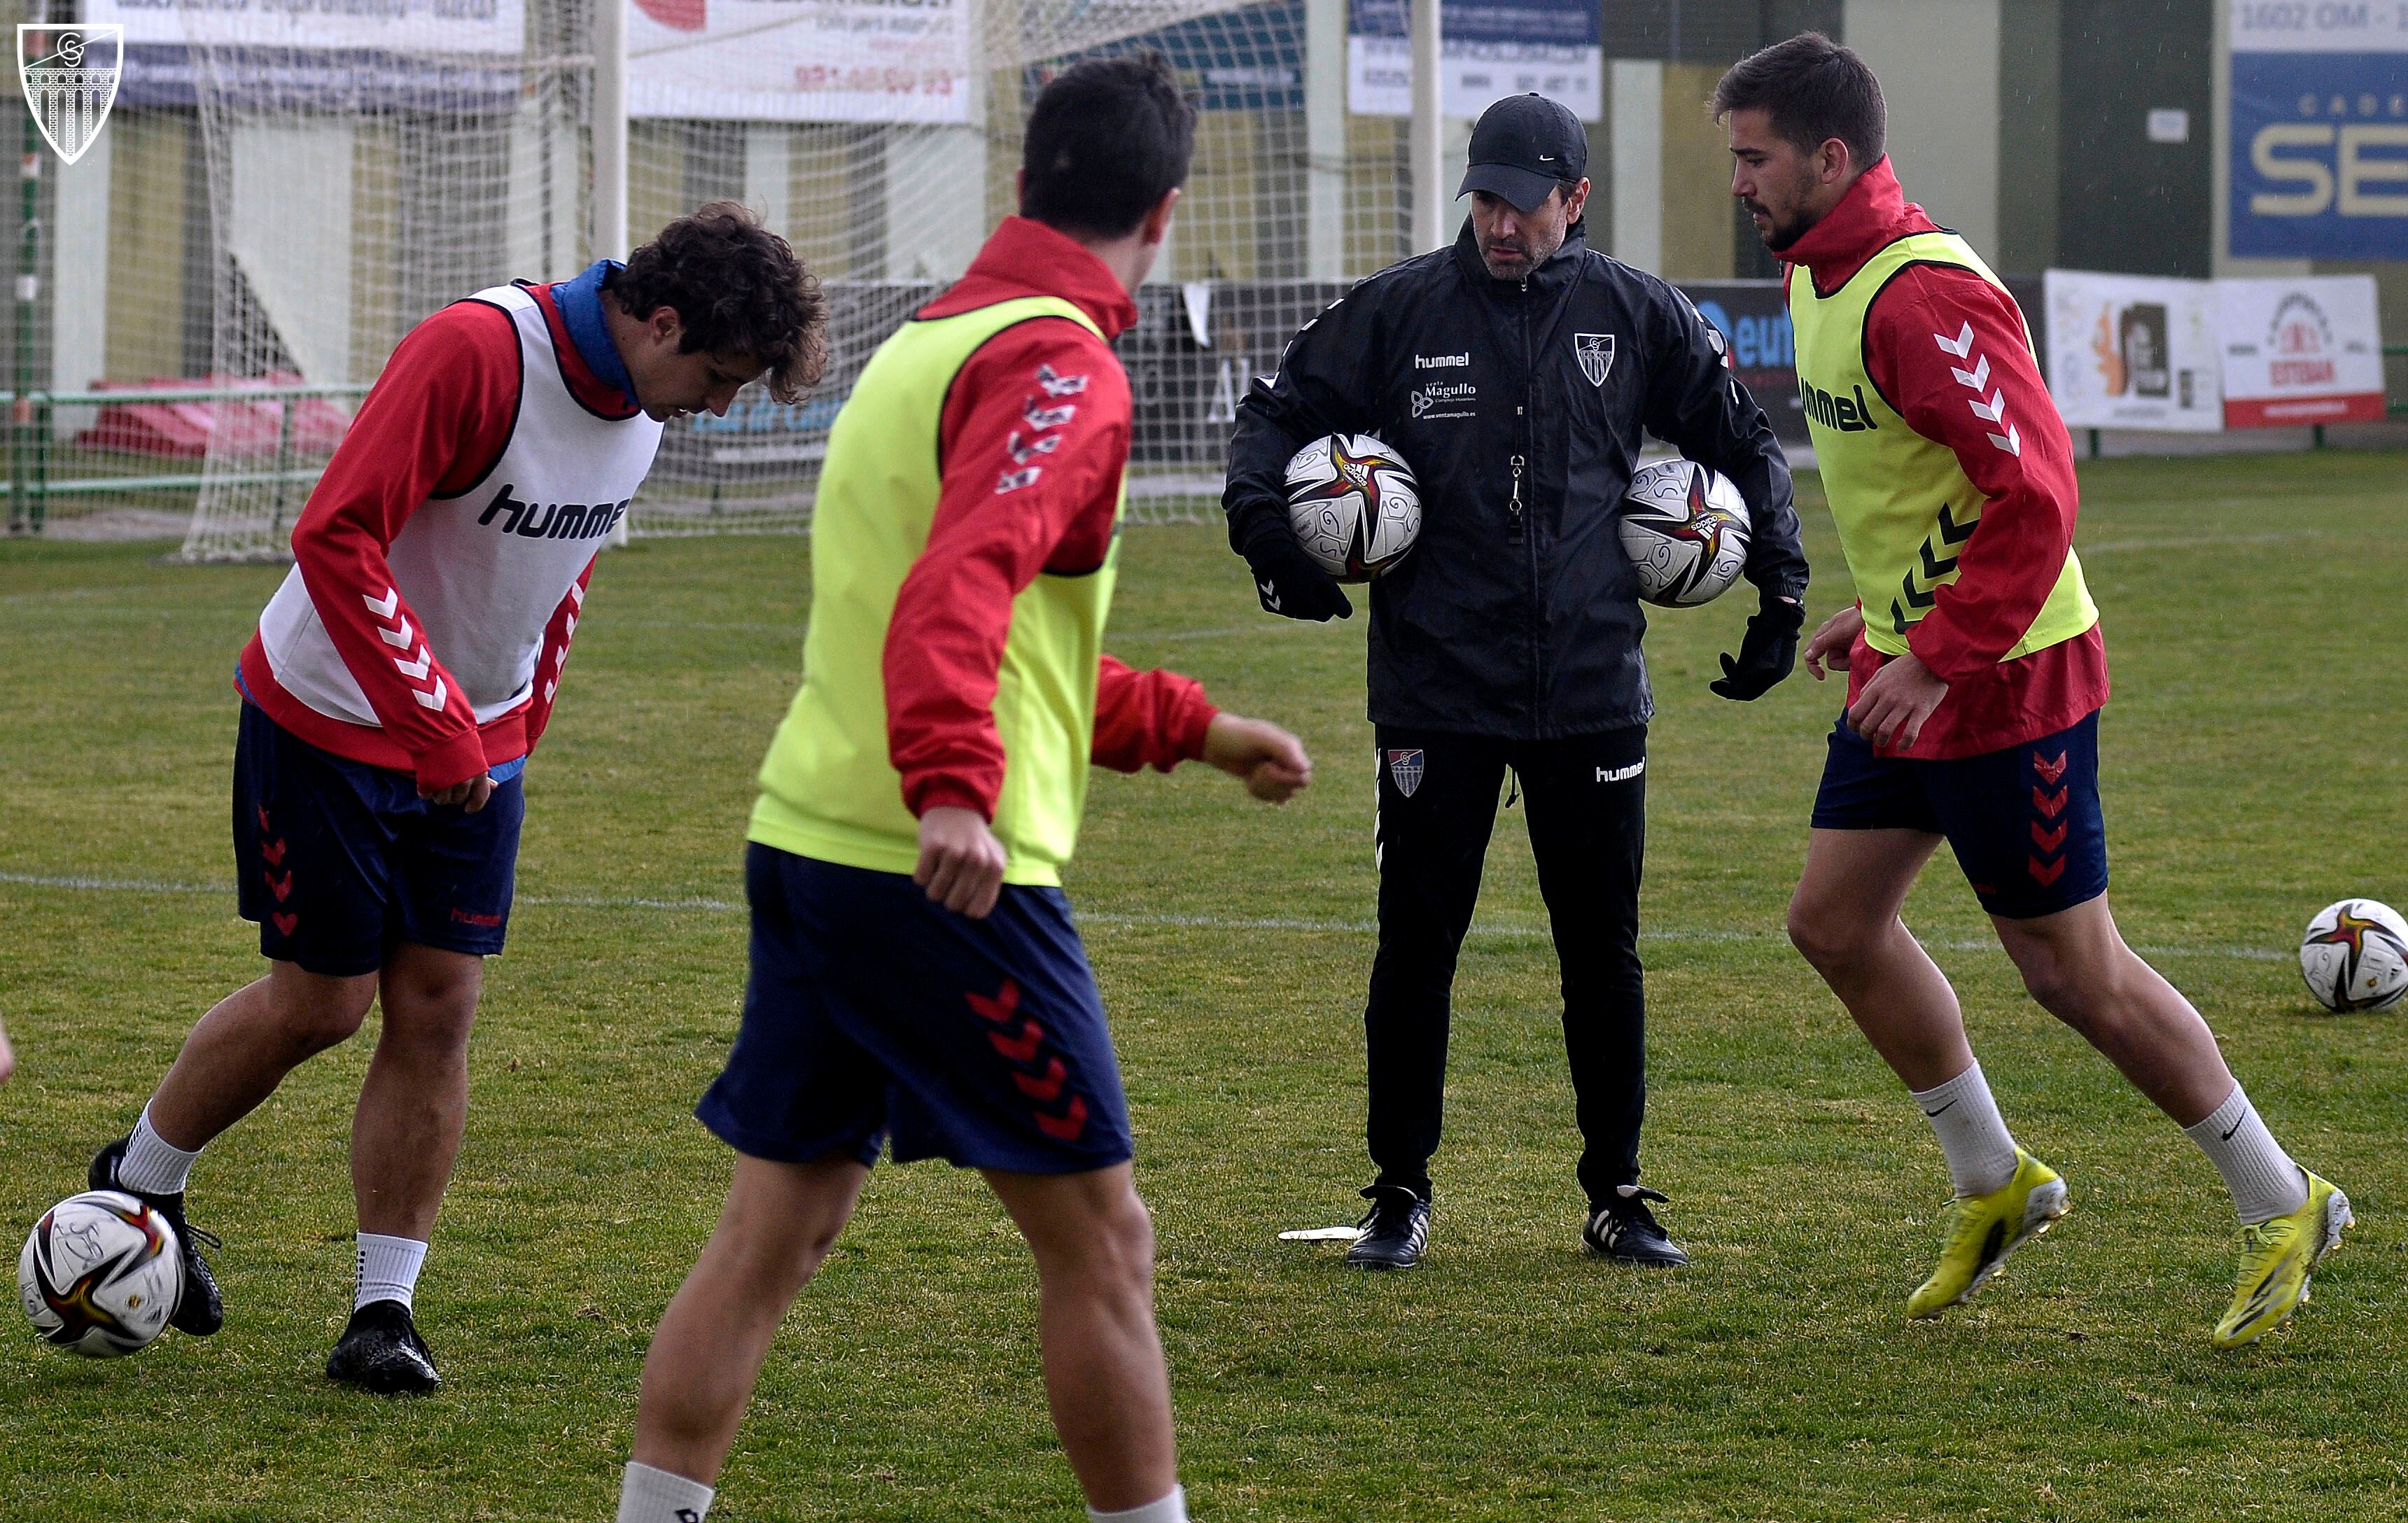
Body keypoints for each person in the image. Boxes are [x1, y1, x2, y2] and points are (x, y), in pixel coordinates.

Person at [615, 56, 1311, 1523]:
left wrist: (1197, 726)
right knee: (1102, 1241)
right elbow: (963, 584)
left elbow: (1012, 645)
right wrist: (950, 791)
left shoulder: (930, 344)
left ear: (1023, 182)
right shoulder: (1062, 360)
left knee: (775, 1233)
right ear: (1166, 213)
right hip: (927, 866)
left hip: (810, 835)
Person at [85, 204, 830, 1393]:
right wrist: (435, 723)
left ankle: (385, 1313)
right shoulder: (479, 353)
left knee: (439, 1006)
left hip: (473, 754)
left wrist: (516, 721)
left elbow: (562, 572)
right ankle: (140, 1181)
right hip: (326, 724)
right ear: (662, 319)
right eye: (719, 377)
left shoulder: (643, 411)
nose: (720, 406)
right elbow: (336, 536)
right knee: (321, 1008)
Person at [1718, 33, 2349, 1347]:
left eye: (1754, 156)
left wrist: (1941, 651)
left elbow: (2038, 493)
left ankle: (2284, 1199)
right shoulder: (1820, 273)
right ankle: (1997, 1181)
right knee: (1833, 925)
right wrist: (1880, 615)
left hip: (2005, 682)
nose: (1739, 181)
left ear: (1831, 158)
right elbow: (1928, 491)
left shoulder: (1919, 296)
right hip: (1916, 667)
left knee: (2074, 974)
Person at [1222, 92, 1808, 1272]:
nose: (1499, 222)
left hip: (1592, 686)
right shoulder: (1396, 311)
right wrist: (1273, 545)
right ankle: (1397, 1190)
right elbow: (1272, 423)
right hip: (1436, 688)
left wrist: (1781, 588)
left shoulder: (1637, 315)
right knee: (1416, 946)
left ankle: (1620, 1193)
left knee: (1603, 950)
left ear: (1574, 199)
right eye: (1484, 198)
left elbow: (1746, 444)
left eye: (1523, 201)